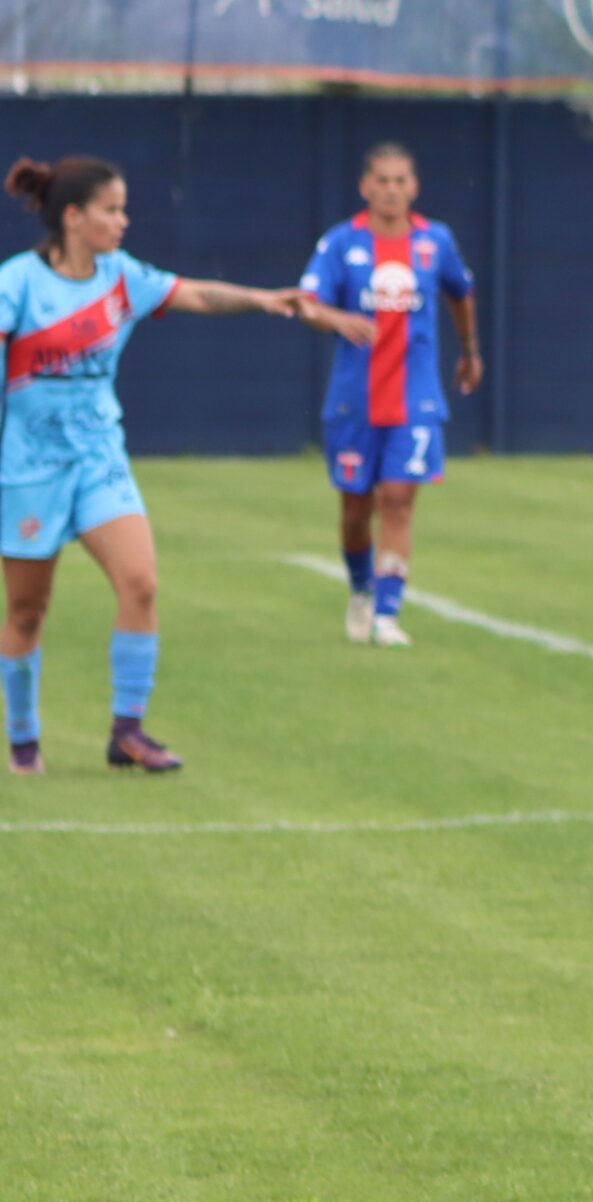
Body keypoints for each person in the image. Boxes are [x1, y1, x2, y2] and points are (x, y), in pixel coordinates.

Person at [1, 156, 316, 776]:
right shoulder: (18, 282)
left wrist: (262, 298)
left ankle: (128, 732)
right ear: (72, 216)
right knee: (26, 612)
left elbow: (195, 291)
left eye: (123, 208)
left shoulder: (121, 277)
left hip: (100, 462)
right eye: (112, 209)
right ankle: (23, 737)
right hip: (30, 469)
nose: (124, 220)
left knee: (141, 584)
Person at [296, 141, 481, 647]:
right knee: (356, 510)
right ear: (365, 187)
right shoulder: (341, 242)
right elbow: (307, 303)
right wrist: (340, 319)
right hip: (354, 401)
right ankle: (360, 587)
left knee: (398, 499)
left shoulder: (434, 240)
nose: (392, 190)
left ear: (414, 187)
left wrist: (469, 350)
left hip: (415, 398)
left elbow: (461, 293)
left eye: (402, 180)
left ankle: (387, 614)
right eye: (383, 180)